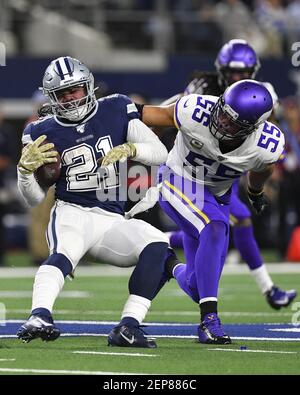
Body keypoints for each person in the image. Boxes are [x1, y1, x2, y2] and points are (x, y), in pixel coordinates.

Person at [16, 56, 177, 348]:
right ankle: (39, 315)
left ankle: (128, 327)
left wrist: (131, 148)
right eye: (62, 93)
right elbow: (33, 199)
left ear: (88, 86)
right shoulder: (39, 131)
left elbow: (160, 154)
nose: (70, 97)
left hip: (112, 219)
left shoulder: (116, 108)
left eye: (75, 89)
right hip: (72, 212)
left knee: (158, 245)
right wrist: (24, 172)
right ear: (51, 97)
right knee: (63, 253)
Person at [123, 79, 290, 344]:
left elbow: (264, 167)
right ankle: (209, 321)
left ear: (252, 128)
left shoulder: (266, 144)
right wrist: (109, 114)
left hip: (216, 197)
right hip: (177, 179)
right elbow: (151, 113)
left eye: (232, 122)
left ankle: (168, 263)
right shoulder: (195, 111)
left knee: (198, 286)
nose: (222, 122)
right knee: (214, 228)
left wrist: (255, 191)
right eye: (223, 112)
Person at [161, 39, 297, 310]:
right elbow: (168, 115)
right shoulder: (201, 91)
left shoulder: (262, 95)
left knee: (217, 233)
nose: (238, 77)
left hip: (227, 177)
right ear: (221, 70)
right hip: (194, 170)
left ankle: (160, 243)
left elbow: (265, 140)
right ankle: (267, 289)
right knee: (235, 221)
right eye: (233, 72)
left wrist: (262, 177)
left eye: (245, 72)